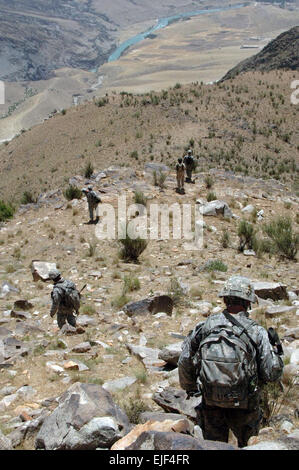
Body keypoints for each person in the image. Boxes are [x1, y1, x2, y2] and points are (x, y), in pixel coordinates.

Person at [178, 275, 284, 448]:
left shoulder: (205, 326)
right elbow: (271, 372)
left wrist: (190, 387)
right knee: (247, 445)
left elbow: (184, 360)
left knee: (212, 446)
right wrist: (278, 354)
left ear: (225, 299)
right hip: (245, 405)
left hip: (211, 401)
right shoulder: (256, 331)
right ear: (248, 302)